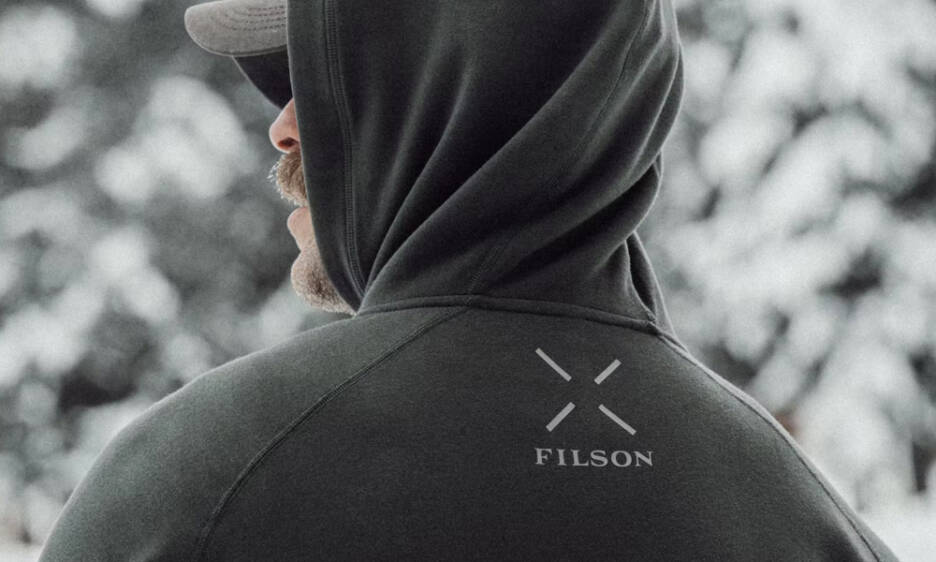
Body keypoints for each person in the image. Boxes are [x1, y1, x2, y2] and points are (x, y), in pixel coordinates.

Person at [38, 0, 900, 559]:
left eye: (331, 79)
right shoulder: (807, 518)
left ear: (456, 86)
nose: (285, 127)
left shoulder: (203, 483)